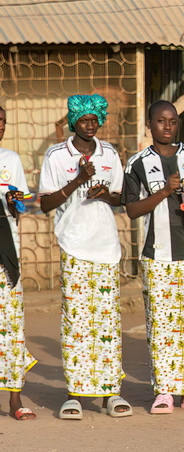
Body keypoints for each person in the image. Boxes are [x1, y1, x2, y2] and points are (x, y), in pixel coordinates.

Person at [38, 94, 133, 420]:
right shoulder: (56, 155)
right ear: (72, 121)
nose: (90, 126)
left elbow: (122, 197)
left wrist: (105, 194)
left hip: (106, 246)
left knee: (107, 321)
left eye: (95, 120)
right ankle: (75, 394)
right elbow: (46, 203)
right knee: (77, 322)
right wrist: (78, 180)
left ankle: (111, 393)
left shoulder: (109, 153)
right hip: (74, 245)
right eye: (84, 121)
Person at [124, 100, 184, 414]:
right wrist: (165, 191)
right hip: (158, 255)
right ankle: (165, 391)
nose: (168, 126)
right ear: (149, 124)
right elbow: (132, 209)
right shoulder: (137, 163)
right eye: (161, 121)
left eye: (173, 121)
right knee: (162, 324)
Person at [0, 106, 37, 419]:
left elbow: (20, 207)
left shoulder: (10, 160)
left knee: (12, 326)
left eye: (2, 122)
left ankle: (14, 399)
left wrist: (15, 203)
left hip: (6, 253)